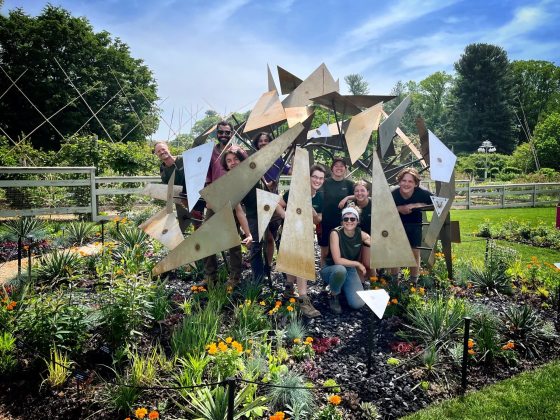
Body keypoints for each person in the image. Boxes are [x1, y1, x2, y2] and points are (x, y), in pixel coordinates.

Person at [276, 164, 326, 318]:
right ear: (308, 178)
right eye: (315, 177)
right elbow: (277, 204)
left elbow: (318, 220)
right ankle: (303, 299)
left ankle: (289, 289)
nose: (317, 180)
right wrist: (287, 216)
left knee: (298, 261)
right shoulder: (295, 192)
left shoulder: (320, 197)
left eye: (321, 178)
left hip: (305, 233)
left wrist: (312, 211)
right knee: (299, 262)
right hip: (290, 231)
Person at [203, 121, 246, 286]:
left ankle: (235, 277)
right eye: (221, 132)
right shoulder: (211, 152)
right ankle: (210, 276)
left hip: (234, 199)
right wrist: (208, 198)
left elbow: (247, 170)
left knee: (233, 239)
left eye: (227, 132)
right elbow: (207, 176)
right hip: (214, 199)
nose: (224, 135)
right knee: (207, 237)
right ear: (217, 134)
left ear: (232, 133)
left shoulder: (238, 151)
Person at [221, 146, 264, 283]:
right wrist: (248, 234)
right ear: (226, 165)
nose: (233, 162)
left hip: (268, 208)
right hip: (253, 214)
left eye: (236, 159)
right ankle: (258, 282)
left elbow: (265, 188)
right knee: (255, 247)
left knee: (271, 240)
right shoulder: (231, 183)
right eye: (229, 161)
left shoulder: (253, 170)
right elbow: (239, 211)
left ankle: (274, 273)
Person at [251, 131, 290, 271]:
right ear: (256, 143)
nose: (263, 143)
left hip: (273, 202)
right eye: (260, 141)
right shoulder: (253, 160)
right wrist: (265, 185)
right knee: (261, 238)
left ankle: (268, 266)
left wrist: (294, 153)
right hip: (257, 202)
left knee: (270, 238)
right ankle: (259, 268)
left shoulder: (277, 160)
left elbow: (290, 173)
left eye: (266, 140)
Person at [320, 205, 370, 314]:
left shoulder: (360, 234)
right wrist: (358, 264)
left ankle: (342, 288)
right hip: (331, 269)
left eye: (353, 219)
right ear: (342, 221)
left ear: (357, 221)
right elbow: (338, 261)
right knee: (340, 270)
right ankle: (334, 295)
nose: (349, 221)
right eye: (345, 219)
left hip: (350, 269)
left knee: (358, 303)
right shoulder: (335, 233)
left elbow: (372, 242)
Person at [391, 167, 433, 284]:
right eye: (404, 180)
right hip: (396, 224)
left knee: (415, 252)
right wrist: (399, 208)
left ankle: (413, 281)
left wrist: (418, 204)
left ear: (416, 184)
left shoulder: (423, 193)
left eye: (410, 181)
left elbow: (438, 203)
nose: (406, 184)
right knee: (396, 252)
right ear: (399, 182)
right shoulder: (393, 193)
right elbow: (382, 207)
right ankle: (394, 281)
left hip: (415, 224)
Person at [153, 141, 204, 232]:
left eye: (163, 149)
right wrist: (189, 208)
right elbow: (173, 191)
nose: (161, 152)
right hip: (185, 200)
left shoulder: (184, 159)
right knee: (197, 226)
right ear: (156, 154)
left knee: (210, 220)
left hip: (199, 196)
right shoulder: (163, 170)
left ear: (168, 149)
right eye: (158, 151)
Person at [319, 157, 355, 266]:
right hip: (325, 221)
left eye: (341, 166)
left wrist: (347, 198)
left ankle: (340, 276)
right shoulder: (325, 182)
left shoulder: (349, 184)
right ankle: (325, 278)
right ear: (332, 168)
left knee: (340, 251)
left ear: (345, 169)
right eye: (336, 166)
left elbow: (359, 195)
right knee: (325, 252)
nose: (339, 168)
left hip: (341, 222)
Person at [339, 180, 374, 281]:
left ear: (368, 192)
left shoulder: (373, 204)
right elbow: (344, 223)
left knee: (368, 263)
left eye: (362, 190)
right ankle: (361, 283)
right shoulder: (351, 206)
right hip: (356, 237)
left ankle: (375, 282)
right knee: (358, 260)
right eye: (356, 191)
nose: (359, 193)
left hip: (371, 238)